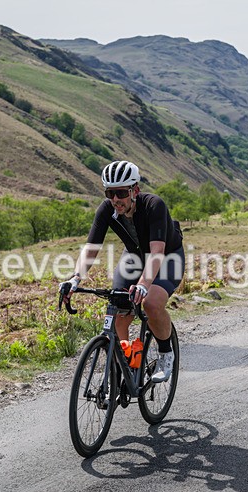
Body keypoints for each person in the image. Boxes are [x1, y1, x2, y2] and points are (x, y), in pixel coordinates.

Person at [59, 160, 184, 383]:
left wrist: (144, 285)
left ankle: (166, 354)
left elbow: (157, 252)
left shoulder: (154, 205)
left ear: (135, 190)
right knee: (117, 309)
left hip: (167, 256)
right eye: (110, 193)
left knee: (151, 303)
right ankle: (124, 369)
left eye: (121, 193)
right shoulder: (107, 209)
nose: (115, 199)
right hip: (134, 257)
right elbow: (91, 247)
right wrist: (75, 278)